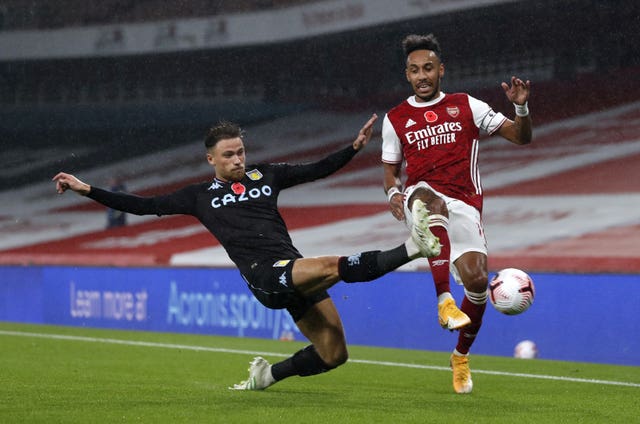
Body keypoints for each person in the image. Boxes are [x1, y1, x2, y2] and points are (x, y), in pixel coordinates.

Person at [53, 114, 440, 390]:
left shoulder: (266, 174)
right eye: (228, 155)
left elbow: (316, 169)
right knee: (329, 265)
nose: (237, 159)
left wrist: (353, 149)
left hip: (292, 267)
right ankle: (412, 247)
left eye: (240, 152)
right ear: (211, 160)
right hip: (264, 276)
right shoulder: (198, 196)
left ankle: (267, 376)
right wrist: (87, 189)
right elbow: (141, 205)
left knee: (334, 353)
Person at [381, 34, 532, 394]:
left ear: (441, 70)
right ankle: (444, 301)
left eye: (428, 68)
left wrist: (521, 109)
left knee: (479, 282)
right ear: (407, 75)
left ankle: (460, 356)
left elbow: (520, 137)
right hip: (421, 196)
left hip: (465, 203)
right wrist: (393, 192)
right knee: (429, 201)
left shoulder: (466, 105)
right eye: (415, 70)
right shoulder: (396, 118)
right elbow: (391, 169)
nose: (422, 76)